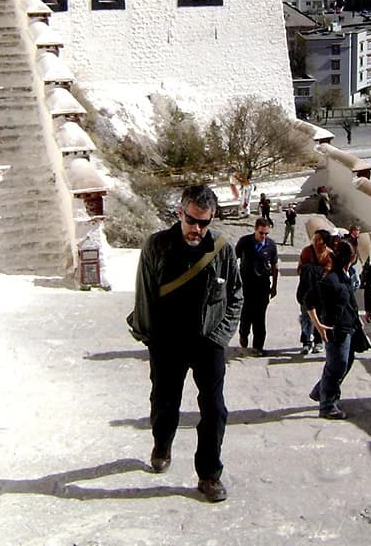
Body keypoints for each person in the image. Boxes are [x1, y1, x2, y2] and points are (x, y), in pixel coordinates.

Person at [129, 185, 242, 503]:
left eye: (204, 223)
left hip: (209, 341)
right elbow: (145, 293)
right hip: (167, 340)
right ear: (180, 213)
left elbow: (236, 294)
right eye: (192, 220)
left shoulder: (222, 249)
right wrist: (148, 335)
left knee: (215, 409)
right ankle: (162, 442)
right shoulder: (157, 246)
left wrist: (221, 336)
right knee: (165, 401)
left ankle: (209, 475)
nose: (197, 229)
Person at [305, 239, 360, 420]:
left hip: (350, 327)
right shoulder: (330, 279)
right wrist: (318, 325)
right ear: (350, 258)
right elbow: (309, 300)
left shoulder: (346, 275)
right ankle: (327, 405)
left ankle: (320, 392)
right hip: (336, 330)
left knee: (346, 362)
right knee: (336, 366)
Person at [235, 217, 278, 356]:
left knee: (260, 318)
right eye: (261, 233)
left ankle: (258, 346)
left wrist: (274, 286)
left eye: (266, 234)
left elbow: (275, 266)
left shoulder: (271, 245)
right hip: (246, 286)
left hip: (263, 286)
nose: (263, 236)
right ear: (255, 229)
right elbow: (233, 260)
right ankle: (243, 335)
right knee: (246, 315)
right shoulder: (244, 242)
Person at [296, 229, 331, 354]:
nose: (315, 242)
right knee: (306, 317)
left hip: (322, 292)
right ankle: (306, 341)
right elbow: (300, 269)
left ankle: (318, 341)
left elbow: (328, 273)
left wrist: (313, 271)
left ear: (325, 242)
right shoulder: (307, 251)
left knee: (320, 317)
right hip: (306, 290)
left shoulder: (329, 255)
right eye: (314, 239)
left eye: (318, 239)